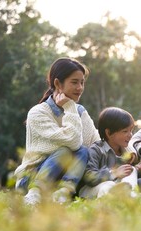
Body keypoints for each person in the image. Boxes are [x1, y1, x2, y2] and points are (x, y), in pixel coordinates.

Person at [14, 57, 100, 205]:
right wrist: (69, 108)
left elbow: (97, 142)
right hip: (30, 179)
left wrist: (129, 151)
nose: (80, 88)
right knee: (65, 150)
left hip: (61, 180)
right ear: (57, 83)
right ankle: (34, 194)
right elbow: (72, 142)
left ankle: (63, 194)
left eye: (82, 82)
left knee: (84, 151)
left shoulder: (79, 111)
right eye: (74, 82)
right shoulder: (38, 113)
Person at [78, 107, 139, 199]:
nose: (130, 135)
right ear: (109, 133)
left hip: (117, 185)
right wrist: (113, 173)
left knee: (132, 170)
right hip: (92, 189)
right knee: (108, 185)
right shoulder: (96, 149)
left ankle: (131, 196)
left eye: (131, 131)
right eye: (125, 131)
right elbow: (89, 177)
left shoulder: (125, 152)